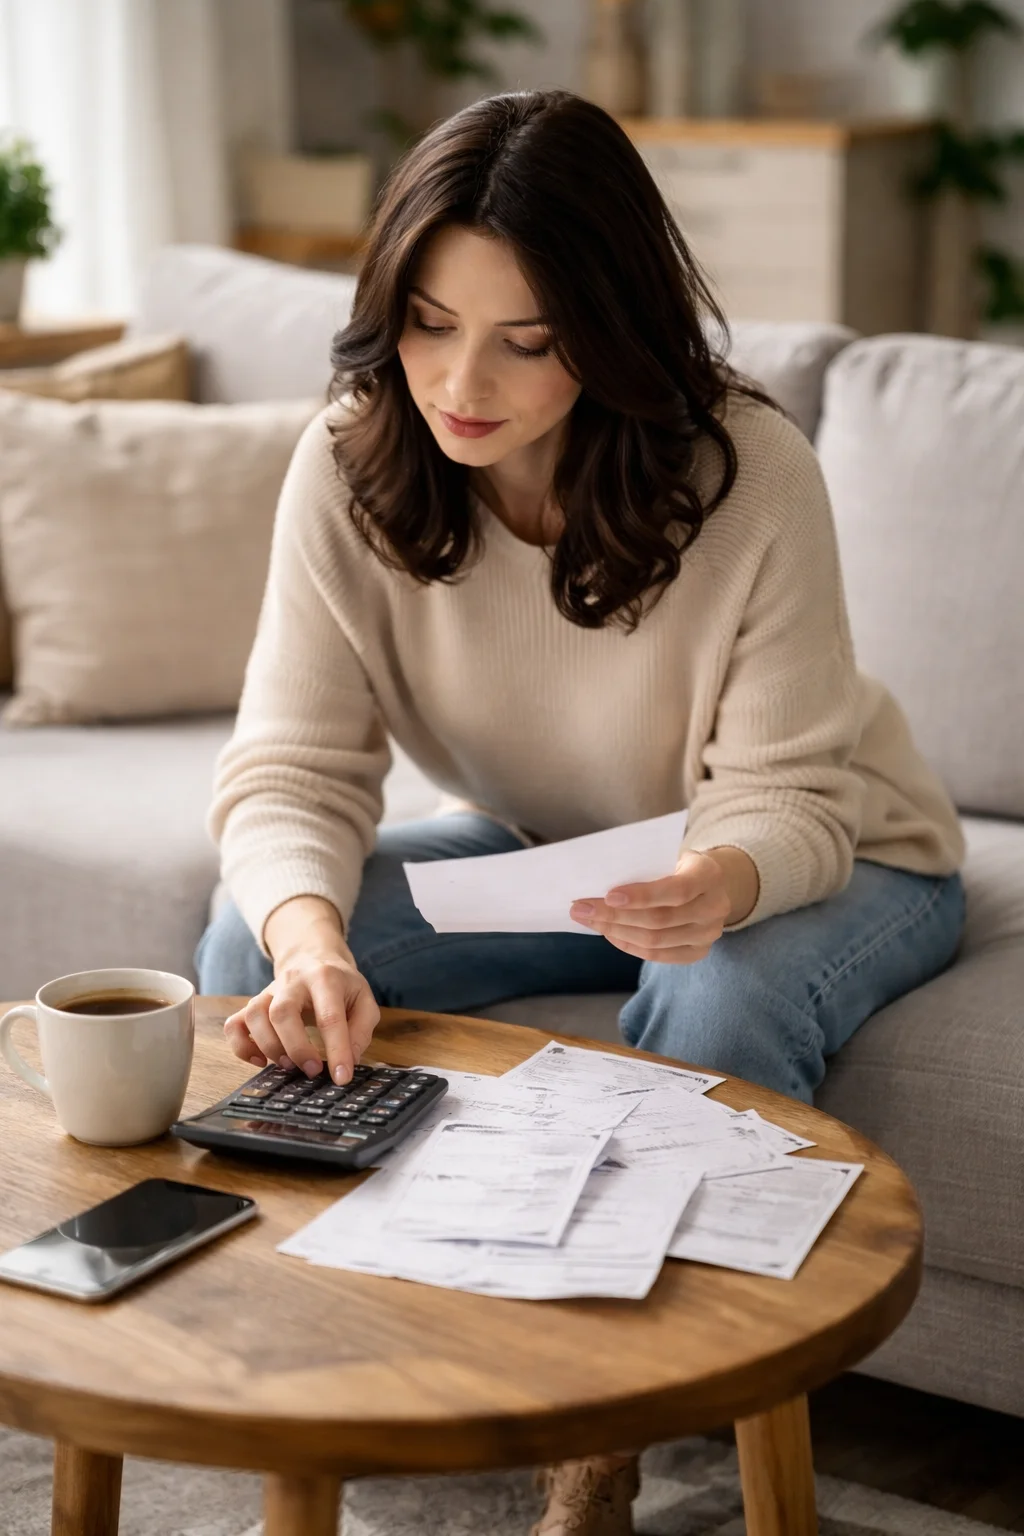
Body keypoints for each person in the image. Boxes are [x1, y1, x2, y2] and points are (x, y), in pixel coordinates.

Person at [197, 88, 966, 1536]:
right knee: (249, 957)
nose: (458, 378)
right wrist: (308, 941)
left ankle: (604, 1430)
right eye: (427, 321)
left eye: (525, 339)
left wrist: (723, 880)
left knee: (714, 1004)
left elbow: (793, 793)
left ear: (606, 329)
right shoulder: (348, 465)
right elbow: (290, 770)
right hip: (562, 858)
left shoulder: (744, 472)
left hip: (828, 857)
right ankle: (341, 1359)